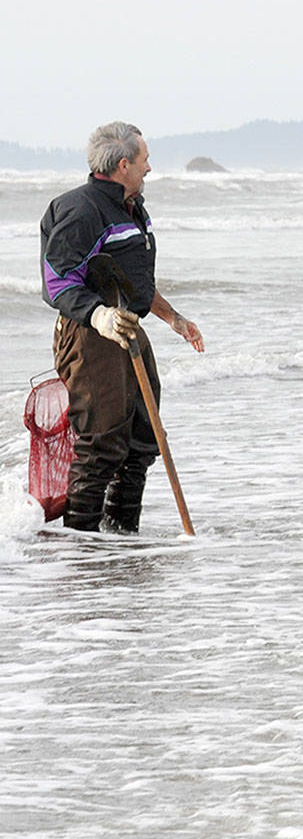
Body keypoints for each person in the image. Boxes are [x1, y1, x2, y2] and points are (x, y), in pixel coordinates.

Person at [39, 121, 204, 533]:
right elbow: (57, 281)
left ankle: (122, 538)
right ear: (124, 164)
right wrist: (100, 316)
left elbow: (131, 283)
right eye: (145, 160)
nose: (150, 168)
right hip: (91, 335)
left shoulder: (131, 207)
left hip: (129, 330)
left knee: (143, 440)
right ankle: (83, 549)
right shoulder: (81, 210)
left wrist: (175, 319)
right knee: (102, 444)